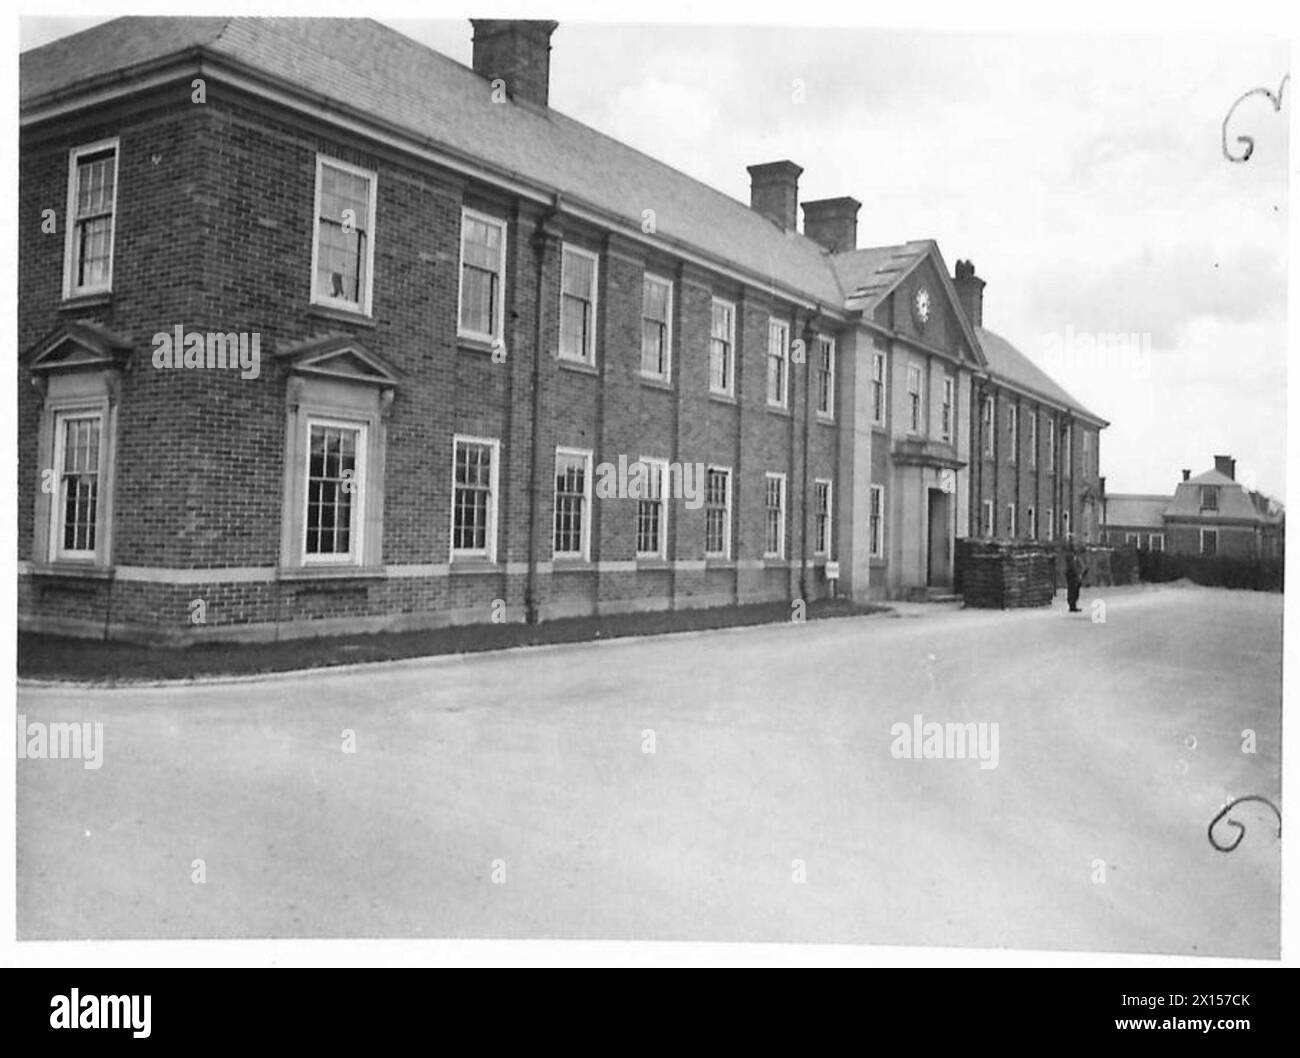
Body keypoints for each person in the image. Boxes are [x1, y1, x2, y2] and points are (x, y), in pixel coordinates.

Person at [1064, 538, 1087, 613]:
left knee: (1075, 589)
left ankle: (1073, 604)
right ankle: (1072, 605)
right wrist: (1078, 573)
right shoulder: (1070, 556)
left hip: (1074, 573)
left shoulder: (1074, 555)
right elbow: (1072, 566)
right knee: (1072, 589)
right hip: (1072, 574)